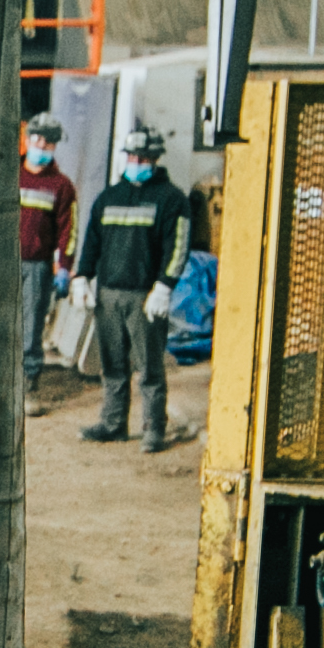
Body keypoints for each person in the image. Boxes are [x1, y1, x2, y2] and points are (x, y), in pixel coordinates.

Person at [73, 127, 202, 452]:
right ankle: (113, 423)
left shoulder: (172, 199)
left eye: (143, 157)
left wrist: (165, 286)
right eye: (132, 156)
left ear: (155, 159)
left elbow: (179, 246)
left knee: (149, 368)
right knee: (113, 365)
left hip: (146, 296)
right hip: (109, 294)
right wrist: (81, 277)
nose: (136, 162)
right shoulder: (109, 197)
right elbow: (92, 241)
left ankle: (153, 430)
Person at [13, 115, 78, 393]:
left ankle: (28, 382)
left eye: (49, 143)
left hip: (37, 267)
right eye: (38, 140)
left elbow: (69, 231)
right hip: (1, 264)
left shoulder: (62, 187)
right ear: (27, 140)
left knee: (31, 326)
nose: (43, 146)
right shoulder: (7, 175)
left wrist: (64, 266)